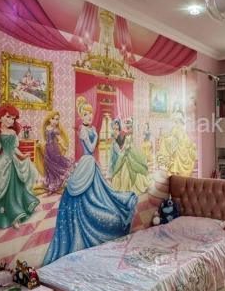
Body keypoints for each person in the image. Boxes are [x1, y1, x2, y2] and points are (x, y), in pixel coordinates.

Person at [43, 97, 137, 264]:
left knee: (101, 191)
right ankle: (84, 219)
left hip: (91, 162)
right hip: (87, 160)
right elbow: (92, 148)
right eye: (86, 114)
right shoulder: (83, 130)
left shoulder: (91, 128)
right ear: (81, 116)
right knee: (85, 194)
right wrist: (97, 136)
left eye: (90, 114)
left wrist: (96, 133)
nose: (89, 117)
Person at [35, 110, 72, 193]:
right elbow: (45, 139)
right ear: (49, 119)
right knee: (49, 165)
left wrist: (64, 147)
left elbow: (60, 139)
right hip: (47, 149)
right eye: (53, 119)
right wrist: (41, 144)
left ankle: (60, 182)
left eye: (57, 119)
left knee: (56, 164)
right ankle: (52, 182)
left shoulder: (55, 130)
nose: (55, 121)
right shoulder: (47, 127)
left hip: (54, 149)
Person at [111, 117, 150, 194]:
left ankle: (134, 185)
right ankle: (124, 186)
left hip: (132, 152)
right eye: (127, 128)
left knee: (134, 166)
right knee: (122, 167)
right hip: (126, 152)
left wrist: (128, 147)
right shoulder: (126, 135)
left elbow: (134, 144)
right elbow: (124, 144)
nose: (128, 129)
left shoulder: (134, 136)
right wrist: (122, 150)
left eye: (130, 128)